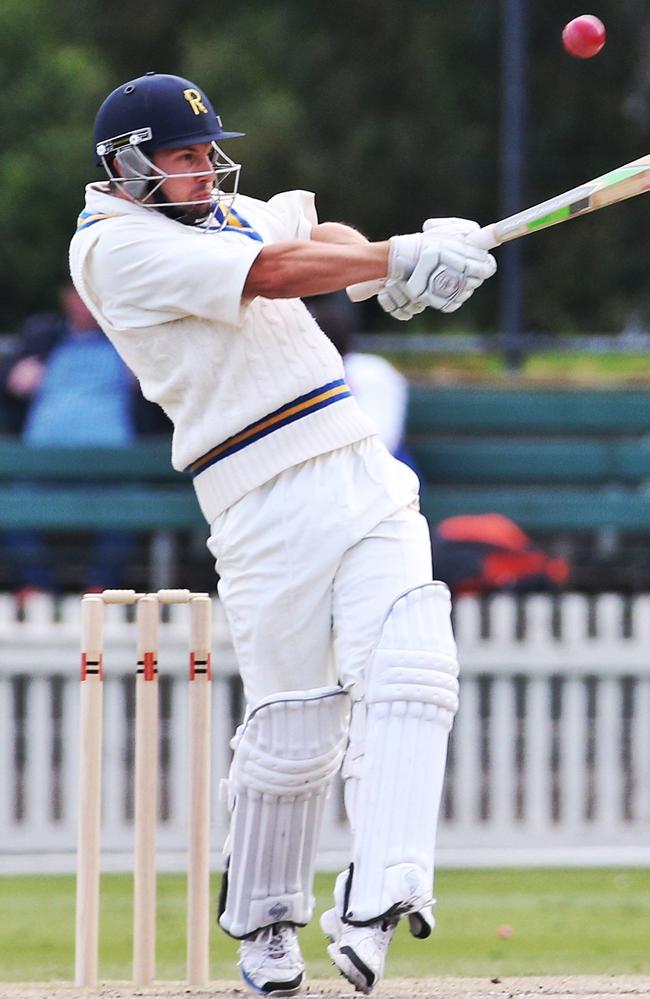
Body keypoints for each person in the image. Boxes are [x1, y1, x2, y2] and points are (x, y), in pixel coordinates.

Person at [69, 72, 497, 996]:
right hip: (258, 492)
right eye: (181, 157)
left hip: (357, 459)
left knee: (416, 666)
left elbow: (314, 239)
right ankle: (265, 920)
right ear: (126, 164)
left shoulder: (222, 211)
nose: (202, 169)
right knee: (296, 728)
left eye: (205, 151)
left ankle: (380, 891)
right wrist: (393, 257)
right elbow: (272, 275)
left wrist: (406, 264)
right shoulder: (112, 248)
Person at [0, 282, 144, 594]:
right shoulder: (44, 342)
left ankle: (101, 584)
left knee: (135, 503)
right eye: (78, 294)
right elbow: (14, 384)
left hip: (112, 465)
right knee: (8, 504)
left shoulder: (128, 343)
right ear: (66, 297)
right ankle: (36, 583)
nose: (84, 303)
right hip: (43, 463)